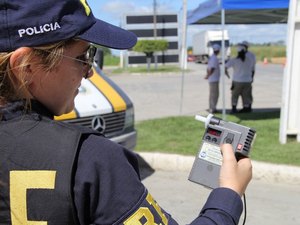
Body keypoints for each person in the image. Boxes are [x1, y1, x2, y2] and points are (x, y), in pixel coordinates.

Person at [0, 1, 252, 224]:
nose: (89, 71)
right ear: (27, 67)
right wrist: (228, 195)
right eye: (83, 56)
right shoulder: (90, 160)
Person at [226, 44, 254, 113]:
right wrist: (251, 78)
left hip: (237, 81)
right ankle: (246, 108)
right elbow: (253, 70)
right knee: (246, 95)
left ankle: (234, 108)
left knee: (235, 95)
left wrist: (228, 75)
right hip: (247, 81)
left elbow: (225, 67)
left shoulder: (234, 60)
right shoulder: (249, 60)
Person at [205, 44, 229, 113]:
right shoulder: (214, 58)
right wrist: (208, 75)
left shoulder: (212, 57)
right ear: (218, 50)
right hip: (214, 79)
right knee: (214, 94)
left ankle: (212, 107)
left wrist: (208, 75)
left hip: (213, 79)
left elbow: (208, 68)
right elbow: (212, 68)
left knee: (213, 94)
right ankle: (212, 108)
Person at [242, 41, 256, 112]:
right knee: (244, 94)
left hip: (248, 77)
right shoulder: (241, 55)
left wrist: (252, 77)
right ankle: (245, 107)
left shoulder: (251, 55)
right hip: (242, 77)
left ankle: (248, 107)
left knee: (248, 93)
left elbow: (253, 67)